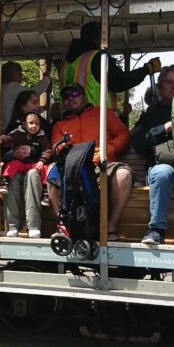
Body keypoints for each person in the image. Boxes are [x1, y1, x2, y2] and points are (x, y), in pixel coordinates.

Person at [47, 83, 133, 241]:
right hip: (73, 168)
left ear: (84, 96)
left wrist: (109, 149)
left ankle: (110, 227)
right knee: (52, 172)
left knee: (123, 175)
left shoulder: (103, 114)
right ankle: (64, 224)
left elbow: (124, 134)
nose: (70, 99)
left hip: (102, 164)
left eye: (74, 95)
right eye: (66, 97)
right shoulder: (59, 125)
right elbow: (57, 148)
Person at [130, 65, 174, 245]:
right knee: (161, 173)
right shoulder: (151, 114)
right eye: (169, 82)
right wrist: (164, 128)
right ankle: (156, 229)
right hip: (165, 169)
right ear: (160, 86)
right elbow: (139, 143)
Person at [62, 22, 160, 109]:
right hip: (95, 121)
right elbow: (119, 81)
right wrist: (146, 69)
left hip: (70, 124)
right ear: (99, 38)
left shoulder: (66, 65)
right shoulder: (97, 57)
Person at [0, 111, 53, 237]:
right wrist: (2, 139)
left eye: (37, 124)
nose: (34, 126)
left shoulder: (43, 135)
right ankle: (12, 225)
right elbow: (9, 139)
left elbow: (48, 150)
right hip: (19, 165)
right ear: (24, 123)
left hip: (33, 166)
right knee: (12, 173)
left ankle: (33, 225)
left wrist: (41, 159)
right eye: (31, 123)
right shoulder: (18, 132)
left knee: (34, 173)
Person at [0, 61, 51, 131]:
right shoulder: (12, 86)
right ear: (9, 73)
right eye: (18, 71)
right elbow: (34, 92)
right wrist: (46, 78)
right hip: (10, 128)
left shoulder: (0, 86)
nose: (21, 75)